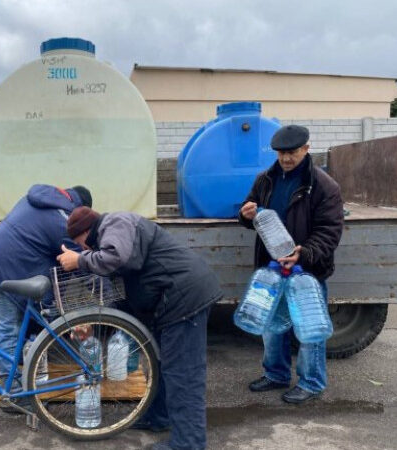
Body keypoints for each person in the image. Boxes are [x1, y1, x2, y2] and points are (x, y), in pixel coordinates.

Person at [58, 207, 222, 450]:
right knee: (158, 365)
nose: (82, 249)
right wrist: (93, 323)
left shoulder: (115, 223)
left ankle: (189, 444)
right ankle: (158, 417)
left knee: (183, 375)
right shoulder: (109, 237)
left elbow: (118, 257)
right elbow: (122, 298)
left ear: (84, 232)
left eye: (79, 243)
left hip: (183, 298)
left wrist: (79, 261)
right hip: (166, 302)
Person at [238, 124, 344, 404]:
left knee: (309, 331)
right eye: (281, 153)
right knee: (272, 327)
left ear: (307, 149)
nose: (286, 158)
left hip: (306, 271)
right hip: (271, 270)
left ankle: (311, 382)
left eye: (292, 152)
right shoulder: (265, 179)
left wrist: (304, 252)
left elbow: (329, 232)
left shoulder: (324, 186)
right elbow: (253, 214)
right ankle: (276, 374)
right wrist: (245, 213)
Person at [0, 184, 92, 408]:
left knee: (16, 327)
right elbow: (80, 263)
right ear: (80, 208)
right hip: (4, 269)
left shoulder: (38, 199)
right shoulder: (62, 220)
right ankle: (15, 395)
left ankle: (17, 379)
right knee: (9, 328)